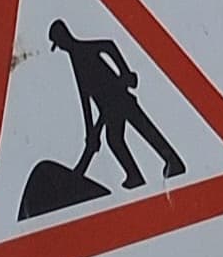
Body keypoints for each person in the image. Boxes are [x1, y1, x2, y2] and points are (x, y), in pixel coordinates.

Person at [47, 20, 185, 190]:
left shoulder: (83, 50)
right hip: (108, 108)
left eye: (59, 43)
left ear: (63, 37)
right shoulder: (75, 59)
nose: (60, 47)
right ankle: (136, 175)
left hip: (119, 97)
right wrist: (90, 130)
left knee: (143, 129)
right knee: (116, 139)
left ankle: (172, 162)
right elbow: (85, 96)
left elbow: (109, 46)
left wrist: (124, 72)